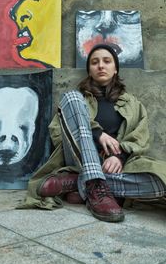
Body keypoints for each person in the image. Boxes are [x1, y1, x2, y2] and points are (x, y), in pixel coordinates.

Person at [19, 44, 166, 223]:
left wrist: (119, 157)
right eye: (95, 62)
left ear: (115, 69)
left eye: (107, 61)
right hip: (78, 159)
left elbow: (140, 138)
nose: (101, 66)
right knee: (71, 97)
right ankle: (95, 183)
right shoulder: (78, 99)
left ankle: (78, 183)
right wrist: (96, 134)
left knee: (160, 181)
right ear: (89, 70)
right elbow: (58, 133)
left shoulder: (133, 104)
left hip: (117, 167)